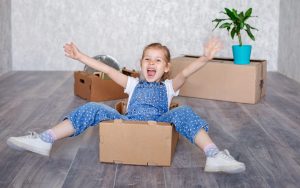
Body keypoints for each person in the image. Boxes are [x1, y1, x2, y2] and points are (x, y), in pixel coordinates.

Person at [7, 38, 245, 173]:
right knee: (94, 107)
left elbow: (188, 73)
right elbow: (108, 69)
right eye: (147, 59)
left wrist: (204, 58)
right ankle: (45, 140)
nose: (151, 63)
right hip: (127, 122)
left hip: (158, 124)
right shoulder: (132, 83)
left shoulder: (170, 86)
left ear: (167, 67)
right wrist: (81, 57)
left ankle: (213, 155)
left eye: (158, 60)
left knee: (182, 111)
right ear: (141, 63)